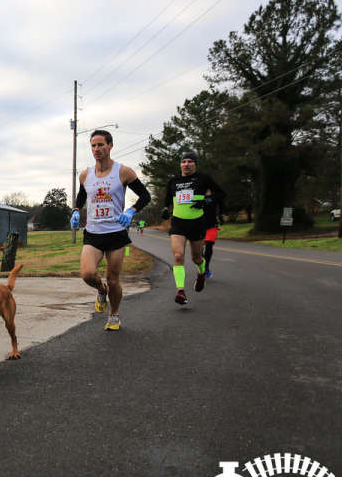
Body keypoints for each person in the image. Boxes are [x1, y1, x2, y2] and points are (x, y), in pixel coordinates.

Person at [70, 130, 151, 331]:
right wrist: (75, 211)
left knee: (114, 280)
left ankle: (114, 315)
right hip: (93, 232)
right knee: (88, 274)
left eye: (100, 145)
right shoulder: (85, 175)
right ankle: (100, 289)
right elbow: (81, 196)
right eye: (93, 146)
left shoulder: (123, 172)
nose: (96, 149)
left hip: (116, 232)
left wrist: (132, 210)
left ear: (110, 146)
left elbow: (145, 195)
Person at [161, 151, 224, 305]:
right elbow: (168, 199)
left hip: (197, 223)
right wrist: (164, 209)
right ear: (180, 164)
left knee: (196, 258)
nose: (186, 164)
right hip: (178, 223)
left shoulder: (203, 179)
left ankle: (202, 273)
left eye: (190, 161)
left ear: (195, 164)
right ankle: (180, 291)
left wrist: (207, 199)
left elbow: (220, 194)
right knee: (178, 256)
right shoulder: (173, 181)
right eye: (184, 161)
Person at [201, 184, 226, 280]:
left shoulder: (215, 195)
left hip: (212, 225)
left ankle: (206, 267)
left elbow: (221, 204)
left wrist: (221, 215)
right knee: (199, 249)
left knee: (209, 245)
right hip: (199, 225)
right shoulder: (198, 194)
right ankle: (202, 265)